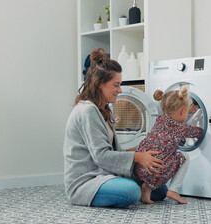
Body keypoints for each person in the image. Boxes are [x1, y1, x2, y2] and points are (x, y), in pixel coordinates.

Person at [63, 47, 166, 208]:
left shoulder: (103, 109)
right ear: (99, 85)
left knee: (160, 188)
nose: (120, 90)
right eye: (116, 85)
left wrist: (143, 150)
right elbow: (101, 156)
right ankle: (122, 190)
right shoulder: (87, 110)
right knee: (132, 191)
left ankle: (123, 189)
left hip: (106, 173)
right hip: (86, 181)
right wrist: (138, 157)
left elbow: (113, 152)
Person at [134, 86, 203, 204]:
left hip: (140, 166)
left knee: (162, 154)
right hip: (155, 172)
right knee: (185, 156)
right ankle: (173, 190)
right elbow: (199, 132)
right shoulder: (181, 129)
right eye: (187, 110)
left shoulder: (160, 120)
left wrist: (189, 110)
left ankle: (146, 189)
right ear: (182, 111)